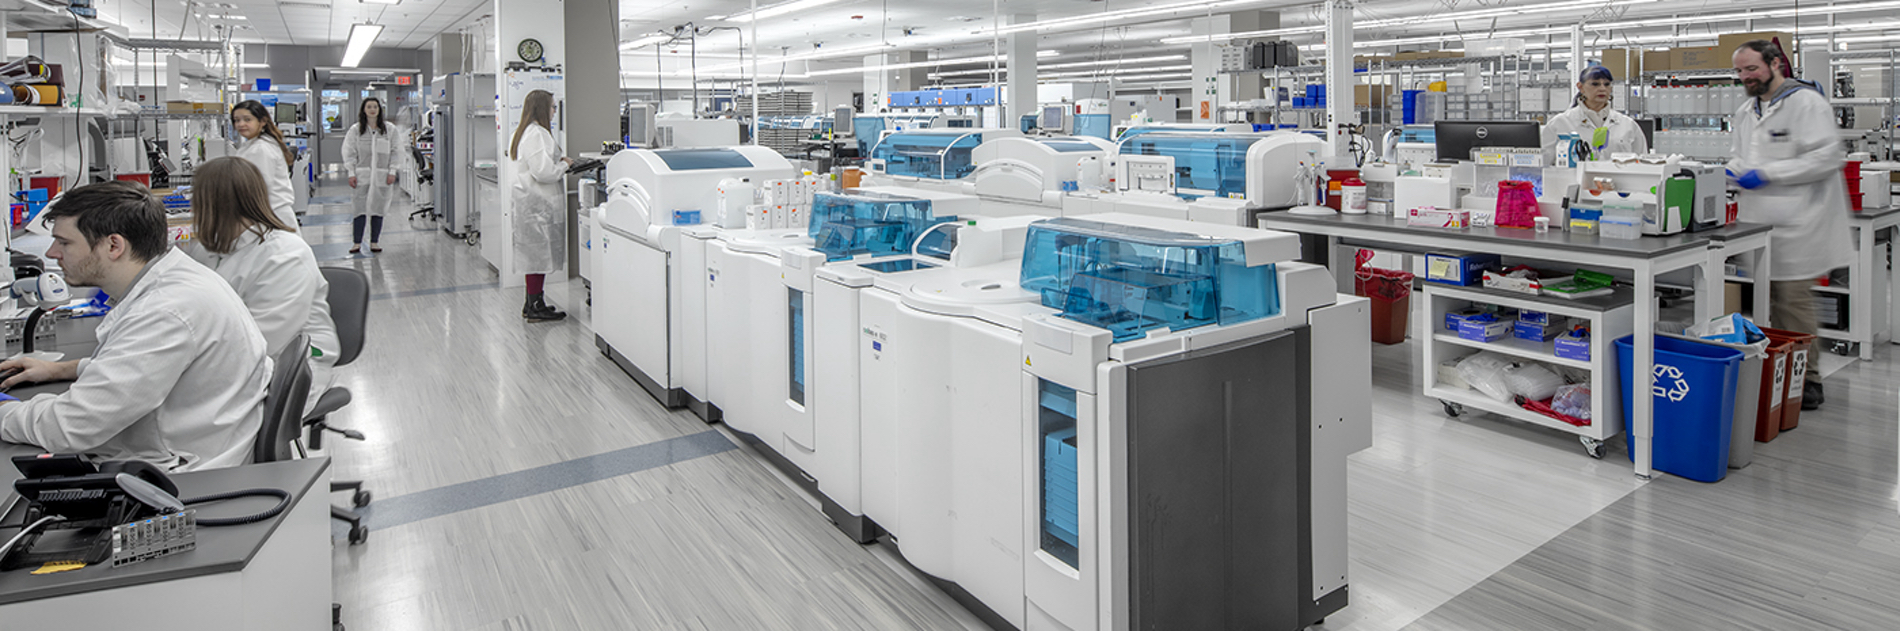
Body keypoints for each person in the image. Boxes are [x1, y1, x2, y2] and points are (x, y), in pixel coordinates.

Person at [0, 182, 271, 472]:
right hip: (192, 446)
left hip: (179, 477)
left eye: (64, 242)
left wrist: (5, 411)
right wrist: (61, 370)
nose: (52, 253)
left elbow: (69, 427)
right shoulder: (178, 279)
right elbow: (141, 368)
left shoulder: (164, 311)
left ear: (113, 246)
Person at [1729, 39, 1853, 411]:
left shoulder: (1806, 103)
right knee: (1766, 304)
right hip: (1757, 224)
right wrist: (1729, 172)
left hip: (1800, 224)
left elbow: (1828, 157)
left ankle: (1808, 380)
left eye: (1752, 68)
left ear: (1774, 64)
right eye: (1739, 71)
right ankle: (1778, 373)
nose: (1745, 77)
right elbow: (1738, 155)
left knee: (1793, 304)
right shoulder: (1745, 111)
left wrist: (1768, 173)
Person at [181, 157, 341, 415]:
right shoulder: (209, 249)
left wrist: (188, 360)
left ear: (215, 204)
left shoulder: (285, 255)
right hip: (231, 357)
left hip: (291, 363)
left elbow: (265, 341)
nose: (192, 208)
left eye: (196, 200)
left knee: (195, 416)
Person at [509, 89, 570, 322]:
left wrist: (557, 161)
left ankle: (532, 303)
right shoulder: (538, 134)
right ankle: (535, 305)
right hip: (538, 204)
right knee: (537, 256)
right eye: (553, 107)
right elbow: (543, 172)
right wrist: (565, 165)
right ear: (543, 108)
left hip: (530, 203)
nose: (554, 111)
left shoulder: (524, 131)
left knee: (534, 256)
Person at [1541, 64, 1649, 165]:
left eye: (1606, 84)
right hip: (1575, 179)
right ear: (1580, 87)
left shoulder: (1627, 125)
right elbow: (1543, 163)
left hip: (1617, 179)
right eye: (1595, 84)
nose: (1602, 88)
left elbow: (1643, 163)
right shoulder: (1560, 123)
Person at [342, 97, 407, 254]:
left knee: (379, 208)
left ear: (379, 110)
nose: (372, 110)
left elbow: (396, 151)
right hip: (362, 175)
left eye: (375, 107)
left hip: (381, 176)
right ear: (364, 110)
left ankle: (374, 242)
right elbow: (349, 152)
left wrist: (392, 171)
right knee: (359, 209)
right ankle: (357, 242)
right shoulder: (356, 130)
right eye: (369, 107)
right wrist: (351, 172)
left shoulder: (389, 130)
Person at [231, 100, 300, 229]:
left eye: (247, 119)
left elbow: (258, 186)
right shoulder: (254, 144)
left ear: (262, 121)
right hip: (266, 213)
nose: (241, 124)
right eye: (237, 120)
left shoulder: (260, 148)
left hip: (270, 214)